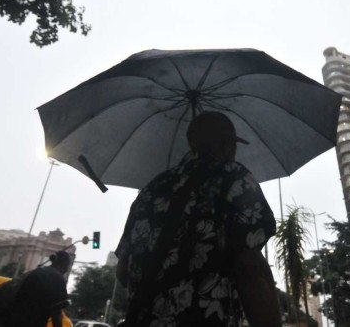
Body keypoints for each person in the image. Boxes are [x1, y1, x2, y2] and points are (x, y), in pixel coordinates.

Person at [115, 111, 277, 327]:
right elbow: (248, 266)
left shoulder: (151, 189)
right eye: (233, 145)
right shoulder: (233, 178)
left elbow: (123, 274)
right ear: (225, 145)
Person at [9, 250, 72, 327]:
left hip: (13, 321)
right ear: (64, 264)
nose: (67, 270)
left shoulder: (35, 272)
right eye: (68, 266)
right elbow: (57, 311)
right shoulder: (57, 278)